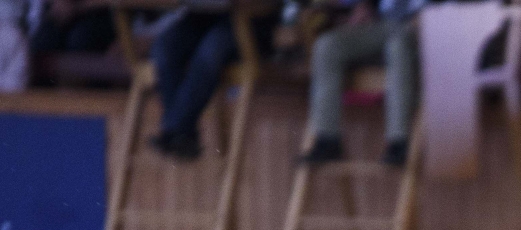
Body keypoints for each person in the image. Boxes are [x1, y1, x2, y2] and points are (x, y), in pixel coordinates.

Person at [300, 0, 424, 169]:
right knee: (326, 45)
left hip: (424, 27)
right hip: (383, 26)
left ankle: (399, 141)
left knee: (398, 45)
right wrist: (364, 5)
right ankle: (327, 140)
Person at [148, 7, 278, 159]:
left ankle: (176, 131)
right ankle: (180, 133)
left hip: (247, 18)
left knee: (210, 51)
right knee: (164, 48)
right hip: (203, 14)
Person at [29, 0, 114, 55]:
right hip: (61, 13)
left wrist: (78, 7)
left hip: (101, 14)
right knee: (42, 42)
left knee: (79, 40)